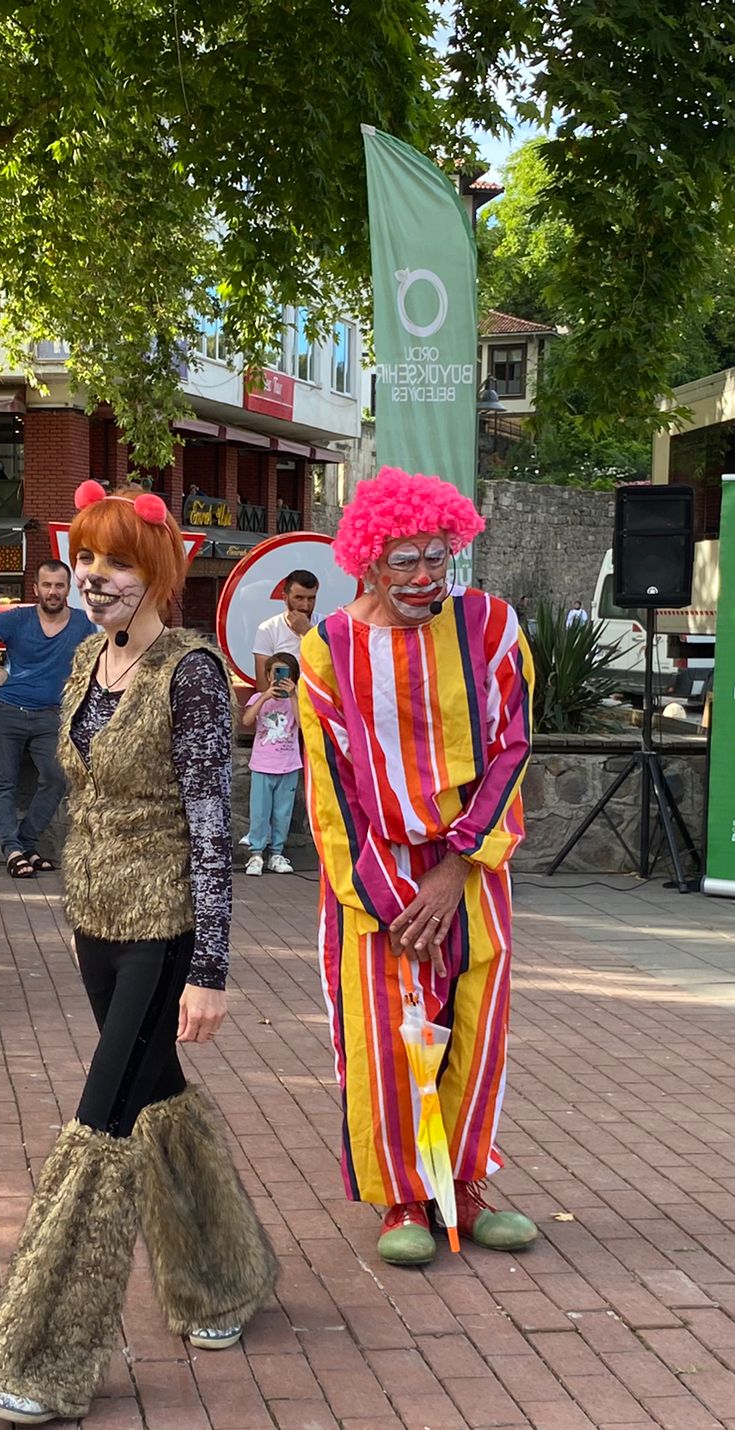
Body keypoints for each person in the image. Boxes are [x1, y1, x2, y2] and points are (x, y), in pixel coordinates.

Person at [0, 481, 274, 1428]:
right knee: (153, 1092)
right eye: (87, 560)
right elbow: (85, 797)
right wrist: (73, 909)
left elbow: (210, 822)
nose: (97, 579)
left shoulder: (189, 674)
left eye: (116, 564)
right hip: (95, 916)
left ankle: (45, 1350)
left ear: (157, 573)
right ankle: (224, 1279)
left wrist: (212, 968)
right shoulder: (85, 662)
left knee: (99, 1120)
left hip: (165, 924)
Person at [299, 466, 537, 1267]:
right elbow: (331, 795)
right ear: (368, 557)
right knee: (385, 1038)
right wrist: (393, 900)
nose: (425, 578)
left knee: (475, 1026)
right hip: (376, 881)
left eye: (438, 557)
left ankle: (461, 1183)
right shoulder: (326, 651)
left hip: (470, 867)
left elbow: (512, 747)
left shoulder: (491, 626)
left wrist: (458, 868)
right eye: (405, 559)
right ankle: (402, 1195)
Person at [0, 560, 95, 877]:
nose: (53, 591)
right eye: (47, 585)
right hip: (4, 711)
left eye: (59, 585)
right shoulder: (18, 618)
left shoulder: (84, 624)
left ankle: (26, 843)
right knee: (3, 785)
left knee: (58, 776)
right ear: (36, 589)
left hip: (50, 716)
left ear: (68, 590)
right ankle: (13, 851)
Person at [241, 650, 302, 875]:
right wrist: (265, 696)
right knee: (259, 812)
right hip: (262, 765)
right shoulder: (258, 698)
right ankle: (256, 854)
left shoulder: (298, 700)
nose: (279, 678)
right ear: (268, 675)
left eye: (285, 674)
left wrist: (294, 695)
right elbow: (246, 720)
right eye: (276, 673)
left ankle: (277, 853)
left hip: (288, 765)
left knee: (282, 813)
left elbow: (304, 724)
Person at [250, 568, 319, 686]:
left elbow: (334, 669)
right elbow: (263, 686)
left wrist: (307, 632)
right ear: (285, 598)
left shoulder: (327, 624)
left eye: (311, 599)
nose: (305, 606)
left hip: (317, 700)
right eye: (299, 598)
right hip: (281, 701)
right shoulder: (268, 629)